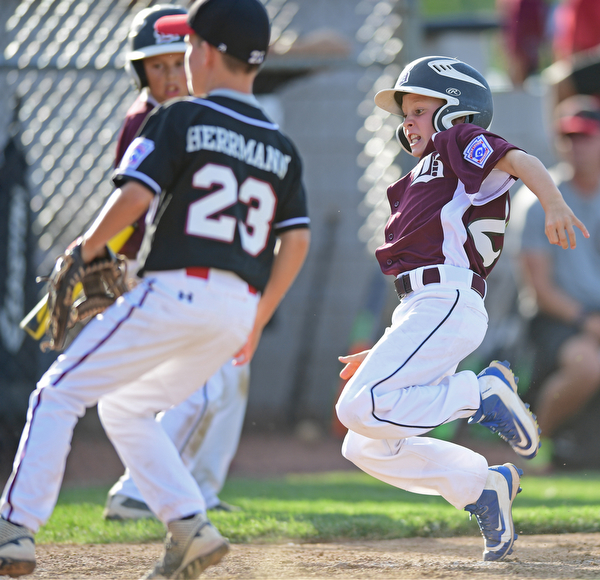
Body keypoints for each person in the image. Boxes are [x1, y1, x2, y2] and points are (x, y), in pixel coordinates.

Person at [0, 0, 311, 577]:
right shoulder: (282, 148)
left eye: (189, 47)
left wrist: (85, 249)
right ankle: (189, 524)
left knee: (56, 393)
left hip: (174, 291)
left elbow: (135, 199)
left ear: (209, 53)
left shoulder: (178, 118)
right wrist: (259, 318)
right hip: (233, 310)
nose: (183, 60)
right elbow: (295, 243)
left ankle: (15, 528)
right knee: (127, 406)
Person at [334, 56, 588, 562]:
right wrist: (388, 352)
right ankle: (480, 487)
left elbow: (520, 161)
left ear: (456, 111)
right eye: (404, 113)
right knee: (362, 442)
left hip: (446, 298)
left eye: (420, 109)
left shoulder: (457, 142)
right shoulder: (419, 175)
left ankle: (481, 392)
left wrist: (555, 202)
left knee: (354, 408)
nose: (407, 121)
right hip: (423, 308)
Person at [102, 4, 249, 519]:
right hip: (159, 273)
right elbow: (129, 204)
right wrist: (114, 262)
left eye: (176, 61)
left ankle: (200, 491)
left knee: (229, 385)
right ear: (139, 71)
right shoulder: (148, 121)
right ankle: (136, 490)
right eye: (156, 66)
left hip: (211, 276)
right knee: (202, 385)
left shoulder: (203, 117)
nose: (169, 75)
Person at [516, 94, 600, 469]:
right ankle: (536, 447)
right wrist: (588, 322)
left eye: (585, 137)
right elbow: (541, 290)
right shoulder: (541, 200)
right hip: (558, 320)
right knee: (587, 365)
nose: (574, 147)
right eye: (568, 138)